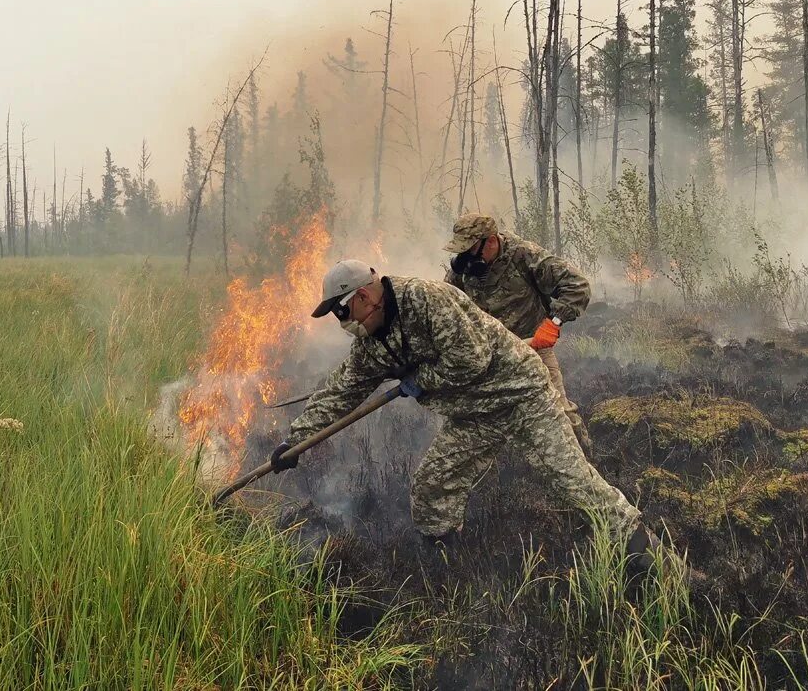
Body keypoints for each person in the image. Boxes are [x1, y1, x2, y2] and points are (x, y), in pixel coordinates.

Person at [270, 259, 660, 571]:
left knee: (572, 481)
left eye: (342, 310)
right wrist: (296, 440)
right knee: (432, 488)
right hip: (475, 415)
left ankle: (653, 560)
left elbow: (472, 359)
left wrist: (421, 379)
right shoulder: (373, 343)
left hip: (520, 395)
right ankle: (447, 572)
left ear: (364, 295)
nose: (343, 322)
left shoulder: (424, 300)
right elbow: (342, 390)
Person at [444, 212, 593, 455]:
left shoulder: (524, 255)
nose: (465, 259)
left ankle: (588, 469)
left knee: (559, 416)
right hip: (488, 358)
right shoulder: (464, 268)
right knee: (474, 426)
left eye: (470, 250)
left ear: (490, 241)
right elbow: (447, 304)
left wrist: (553, 323)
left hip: (532, 351)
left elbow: (577, 285)